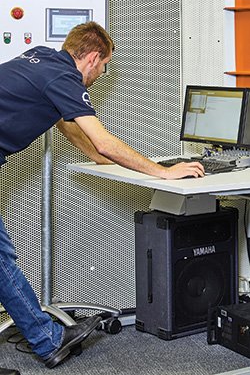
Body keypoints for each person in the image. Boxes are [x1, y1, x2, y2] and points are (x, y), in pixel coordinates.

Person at [0, 22, 204, 369]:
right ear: (93, 58)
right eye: (104, 66)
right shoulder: (63, 78)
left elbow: (66, 124)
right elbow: (105, 140)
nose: (101, 74)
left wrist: (95, 155)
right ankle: (47, 340)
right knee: (1, 262)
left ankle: (46, 338)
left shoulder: (42, 59)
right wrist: (164, 172)